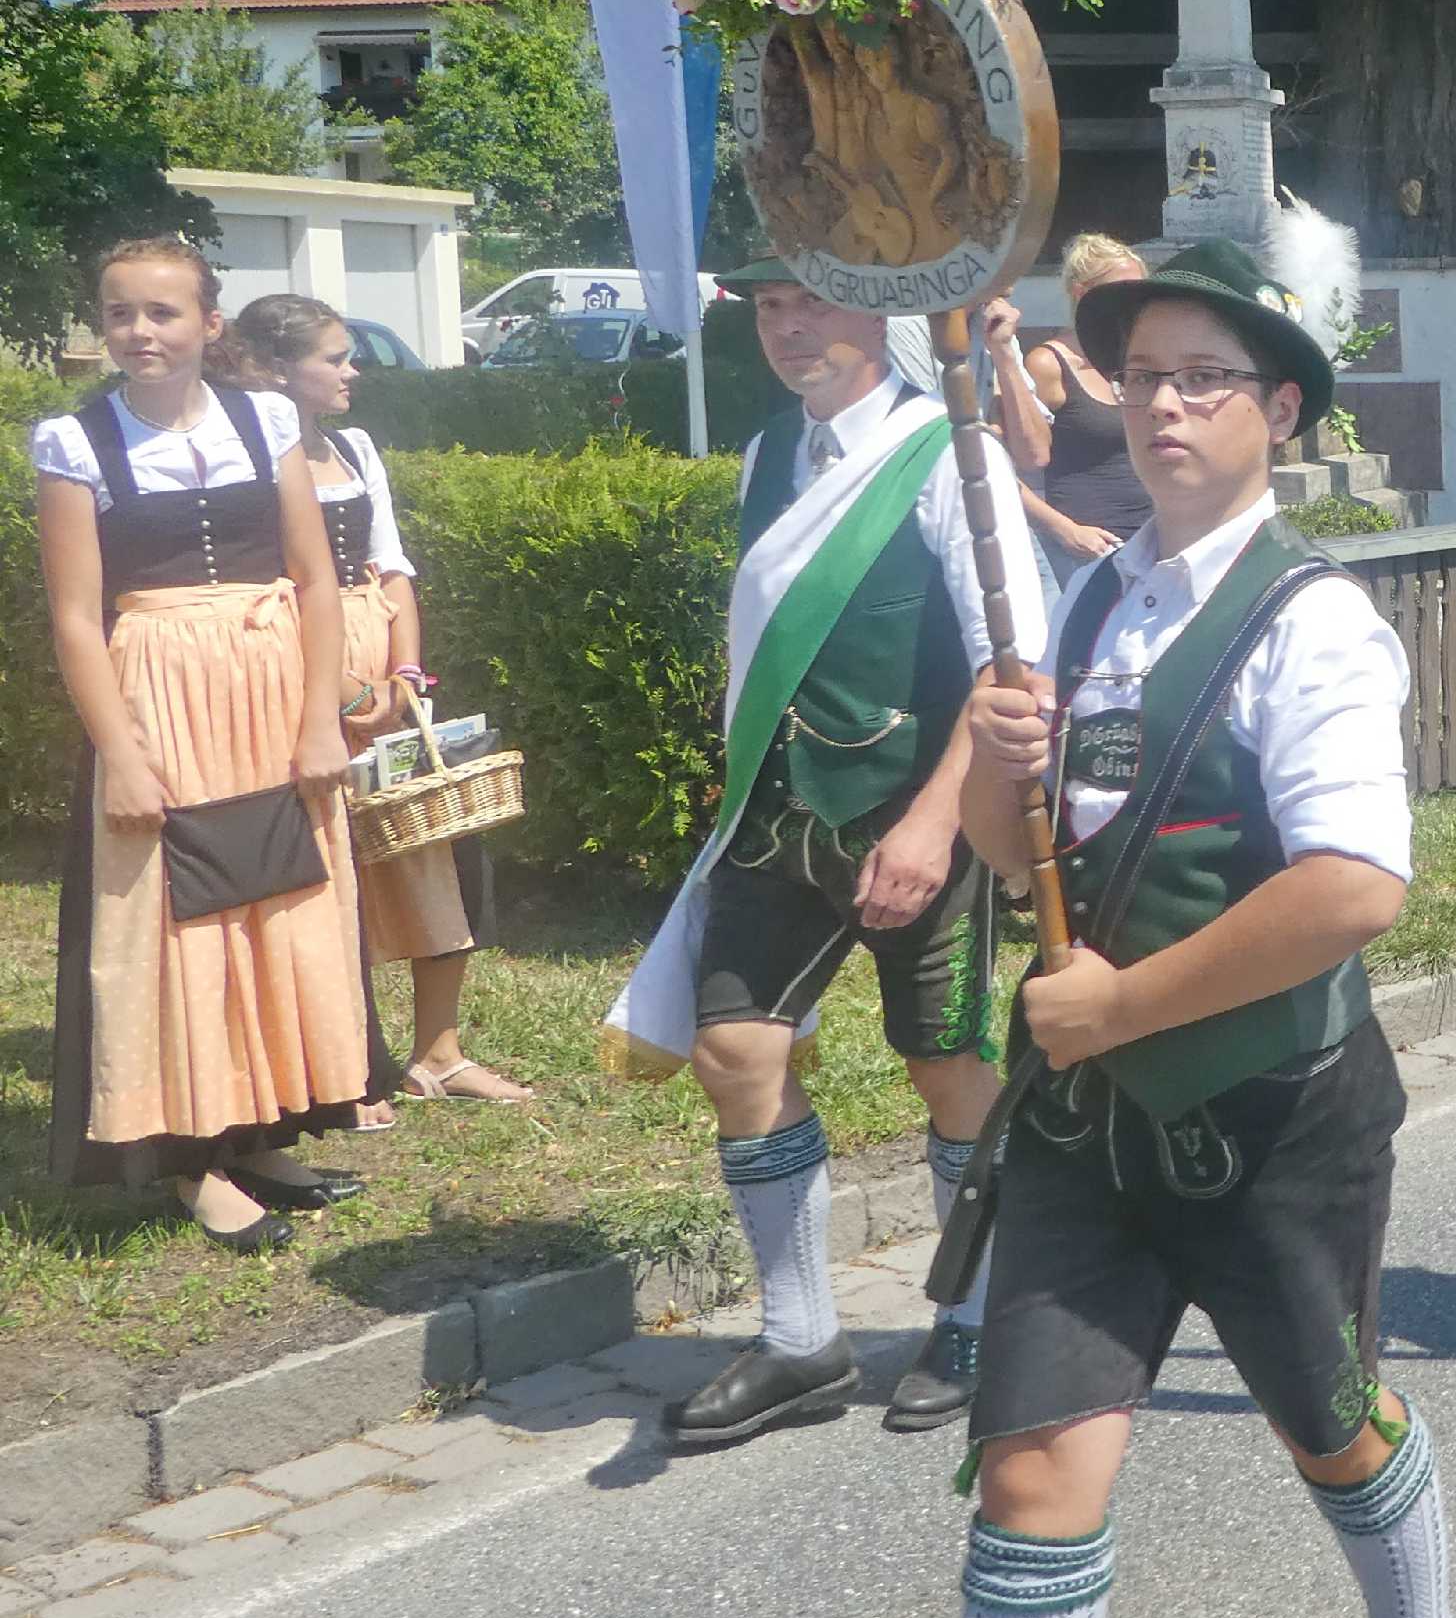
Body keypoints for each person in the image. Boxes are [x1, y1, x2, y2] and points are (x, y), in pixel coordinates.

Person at [951, 232, 1456, 1618]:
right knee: (1029, 1474)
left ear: (1279, 411)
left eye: (1203, 378)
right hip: (1084, 1120)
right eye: (1140, 377)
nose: (1163, 404)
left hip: (1273, 1122)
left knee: (1333, 1428)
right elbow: (1017, 858)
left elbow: (1353, 890)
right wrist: (996, 763)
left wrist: (1121, 1005)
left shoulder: (1319, 623)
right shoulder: (1090, 598)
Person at [603, 256, 1041, 1448]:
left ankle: (980, 1316)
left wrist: (934, 821)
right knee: (734, 1051)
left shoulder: (950, 453)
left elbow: (1010, 666)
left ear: (878, 316)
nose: (790, 327)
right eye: (771, 307)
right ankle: (801, 1341)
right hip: (778, 821)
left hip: (917, 817)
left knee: (943, 1066)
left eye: (814, 302)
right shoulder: (766, 458)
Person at [34, 239, 380, 1250]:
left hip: (269, 690)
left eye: (163, 312)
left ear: (209, 324)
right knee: (177, 923)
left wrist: (318, 718)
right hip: (160, 697)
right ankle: (192, 1158)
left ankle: (264, 1130)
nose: (140, 331)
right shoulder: (75, 441)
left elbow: (315, 578)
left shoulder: (264, 420)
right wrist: (121, 755)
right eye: (121, 312)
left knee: (279, 904)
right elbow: (75, 618)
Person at [234, 294, 530, 1110]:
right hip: (298, 668)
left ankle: (439, 1052)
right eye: (334, 357)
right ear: (276, 368)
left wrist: (405, 677)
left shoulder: (355, 448)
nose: (352, 370)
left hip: (382, 672)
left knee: (435, 846)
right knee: (330, 871)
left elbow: (392, 568)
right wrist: (340, 688)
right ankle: (343, 1069)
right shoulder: (246, 459)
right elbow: (268, 585)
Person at [1009, 234, 1156, 567]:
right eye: (1122, 292)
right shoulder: (1049, 364)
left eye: (1141, 292)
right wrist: (1065, 531)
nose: (1134, 303)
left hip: (1151, 540)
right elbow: (1004, 469)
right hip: (1084, 550)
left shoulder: (1140, 360)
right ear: (1082, 294)